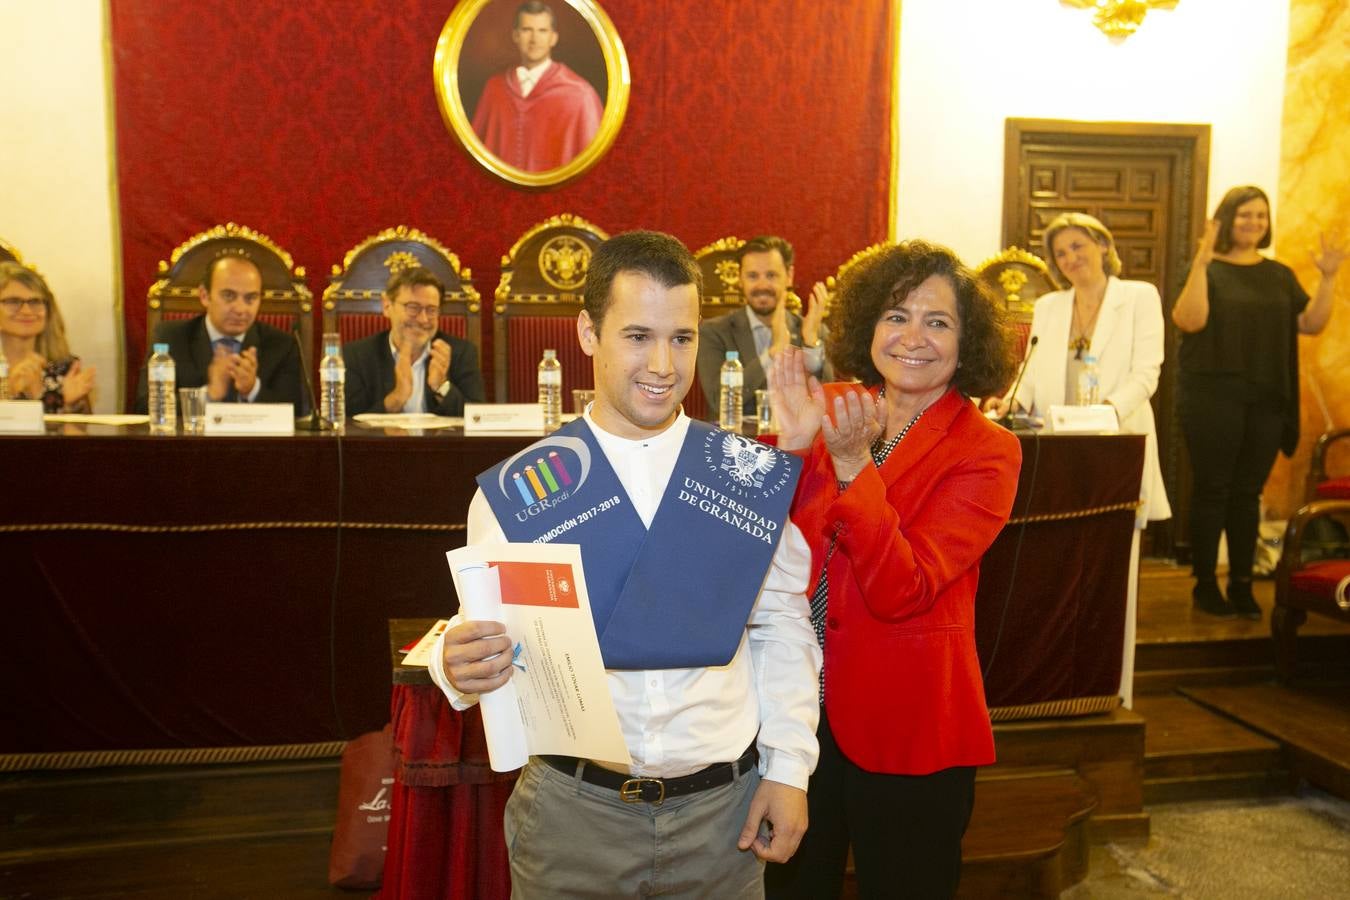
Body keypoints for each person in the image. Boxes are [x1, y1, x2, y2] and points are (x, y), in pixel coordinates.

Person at [432, 231, 821, 898]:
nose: (664, 365)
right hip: (572, 820)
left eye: (682, 338)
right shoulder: (521, 490)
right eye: (638, 336)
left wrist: (789, 770)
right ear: (588, 332)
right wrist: (453, 663)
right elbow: (482, 635)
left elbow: (782, 626)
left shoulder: (739, 476)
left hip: (719, 818)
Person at [764, 240, 1021, 899]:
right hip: (797, 718)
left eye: (938, 322)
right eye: (896, 315)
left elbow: (900, 588)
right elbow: (762, 554)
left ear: (969, 344)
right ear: (867, 326)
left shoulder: (987, 451)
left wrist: (854, 468)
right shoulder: (833, 408)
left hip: (909, 730)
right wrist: (790, 449)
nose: (913, 337)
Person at [983, 212, 1170, 702]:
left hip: (1116, 445)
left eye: (1078, 246)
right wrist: (1012, 402)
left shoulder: (1138, 297)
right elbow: (1034, 369)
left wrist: (1108, 413)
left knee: (1115, 577)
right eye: (1061, 252)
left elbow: (1148, 372)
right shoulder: (1048, 305)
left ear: (1103, 244)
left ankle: (1117, 689)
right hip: (1061, 450)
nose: (1070, 259)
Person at [1171, 185, 1346, 619]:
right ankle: (1206, 584)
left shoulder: (1279, 274)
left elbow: (1311, 323)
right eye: (1244, 214)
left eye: (1260, 216)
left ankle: (1243, 585)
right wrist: (1202, 260)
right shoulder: (1205, 269)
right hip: (1212, 398)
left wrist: (1328, 277)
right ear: (1226, 219)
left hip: (1266, 399)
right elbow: (1188, 320)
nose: (1253, 222)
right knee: (1213, 490)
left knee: (1247, 495)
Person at [134, 252, 306, 414]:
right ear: (204, 296)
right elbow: (144, 407)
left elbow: (298, 413)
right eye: (229, 296)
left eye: (250, 298)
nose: (240, 309)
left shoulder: (281, 345)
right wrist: (208, 395)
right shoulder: (171, 338)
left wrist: (252, 389)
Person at [697, 235, 830, 416]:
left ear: (789, 276)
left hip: (798, 442)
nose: (762, 285)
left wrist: (811, 344)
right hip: (735, 441)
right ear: (740, 279)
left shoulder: (812, 331)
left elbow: (827, 402)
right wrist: (772, 353)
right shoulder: (714, 332)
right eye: (752, 276)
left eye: (771, 275)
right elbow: (718, 401)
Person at [471, 1, 604, 172]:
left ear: (553, 38)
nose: (534, 39)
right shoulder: (494, 88)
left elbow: (593, 167)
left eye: (542, 31)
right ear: (516, 36)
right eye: (527, 30)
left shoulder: (580, 95)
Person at [343, 267, 485, 416]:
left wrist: (441, 387)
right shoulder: (355, 356)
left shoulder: (461, 353)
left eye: (431, 310)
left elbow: (476, 419)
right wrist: (396, 399)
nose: (423, 319)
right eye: (413, 308)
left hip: (438, 440)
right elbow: (348, 424)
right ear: (387, 306)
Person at [0, 262, 96, 413]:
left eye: (35, 302)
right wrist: (7, 392)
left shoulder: (65, 369)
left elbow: (83, 434)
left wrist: (69, 405)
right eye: (13, 301)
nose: (26, 310)